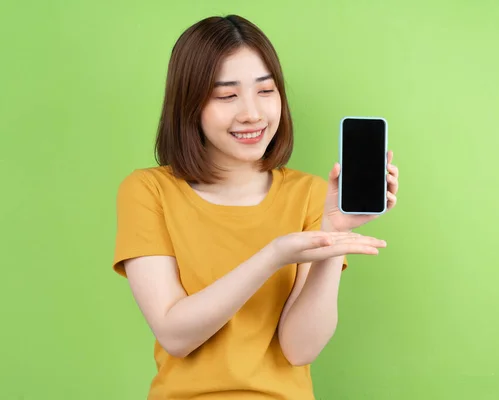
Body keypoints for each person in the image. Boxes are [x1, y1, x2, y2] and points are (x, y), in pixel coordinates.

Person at [112, 14, 399, 400]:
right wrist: (273, 255)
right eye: (227, 95)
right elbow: (175, 334)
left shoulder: (311, 194)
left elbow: (300, 349)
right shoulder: (148, 191)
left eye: (266, 91)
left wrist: (334, 237)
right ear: (189, 104)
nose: (252, 113)